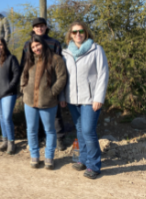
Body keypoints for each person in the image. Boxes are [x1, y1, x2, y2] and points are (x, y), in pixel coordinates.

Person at [60, 21, 109, 179]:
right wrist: (62, 97)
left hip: (90, 99)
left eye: (81, 31)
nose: (78, 34)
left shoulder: (96, 49)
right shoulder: (66, 53)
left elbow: (103, 74)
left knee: (88, 131)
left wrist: (99, 97)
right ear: (70, 35)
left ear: (86, 33)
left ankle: (94, 165)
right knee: (80, 130)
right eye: (74, 32)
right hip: (72, 99)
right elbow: (63, 77)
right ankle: (83, 159)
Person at [21, 35, 67, 170]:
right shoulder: (29, 59)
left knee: (50, 130)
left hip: (48, 102)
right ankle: (34, 156)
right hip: (29, 101)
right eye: (33, 47)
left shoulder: (55, 59)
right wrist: (23, 88)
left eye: (38, 45)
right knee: (31, 130)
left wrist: (52, 93)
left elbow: (62, 78)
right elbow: (23, 75)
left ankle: (49, 157)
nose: (36, 48)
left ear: (43, 44)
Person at [0, 38, 20, 154]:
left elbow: (17, 74)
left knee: (7, 117)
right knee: (1, 117)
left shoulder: (11, 59)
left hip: (8, 93)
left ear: (4, 46)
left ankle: (12, 142)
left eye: (0, 44)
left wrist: (10, 87)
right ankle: (5, 140)